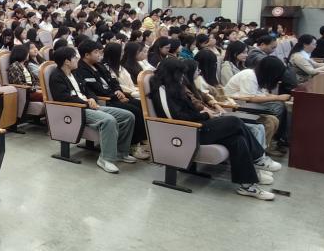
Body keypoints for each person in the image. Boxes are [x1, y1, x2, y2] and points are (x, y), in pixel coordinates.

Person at [150, 58, 274, 199]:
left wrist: (205, 114)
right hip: (187, 132)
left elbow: (188, 110)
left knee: (237, 139)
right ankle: (258, 158)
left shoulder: (175, 87)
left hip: (196, 126)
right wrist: (204, 115)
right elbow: (175, 118)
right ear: (172, 73)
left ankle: (247, 185)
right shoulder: (161, 90)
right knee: (234, 121)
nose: (183, 77)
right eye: (180, 74)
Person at [46, 46, 134, 174]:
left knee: (128, 116)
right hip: (76, 110)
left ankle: (121, 152)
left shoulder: (75, 73)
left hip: (88, 105)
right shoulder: (56, 77)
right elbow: (64, 98)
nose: (78, 59)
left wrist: (91, 98)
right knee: (109, 120)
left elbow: (87, 89)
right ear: (67, 61)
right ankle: (105, 159)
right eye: (75, 57)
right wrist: (86, 102)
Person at [75, 40, 146, 157]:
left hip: (113, 96)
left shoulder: (99, 65)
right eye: (96, 52)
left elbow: (113, 80)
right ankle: (132, 145)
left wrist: (118, 90)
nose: (99, 54)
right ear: (87, 55)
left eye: (99, 52)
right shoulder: (80, 69)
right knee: (134, 111)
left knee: (140, 104)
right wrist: (116, 96)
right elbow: (96, 89)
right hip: (105, 100)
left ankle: (140, 139)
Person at [224, 56, 291, 147]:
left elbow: (263, 94)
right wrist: (278, 97)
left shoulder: (258, 77)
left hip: (246, 105)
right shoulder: (249, 76)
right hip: (236, 107)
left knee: (276, 115)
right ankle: (268, 144)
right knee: (277, 108)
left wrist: (282, 97)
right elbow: (250, 98)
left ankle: (269, 144)